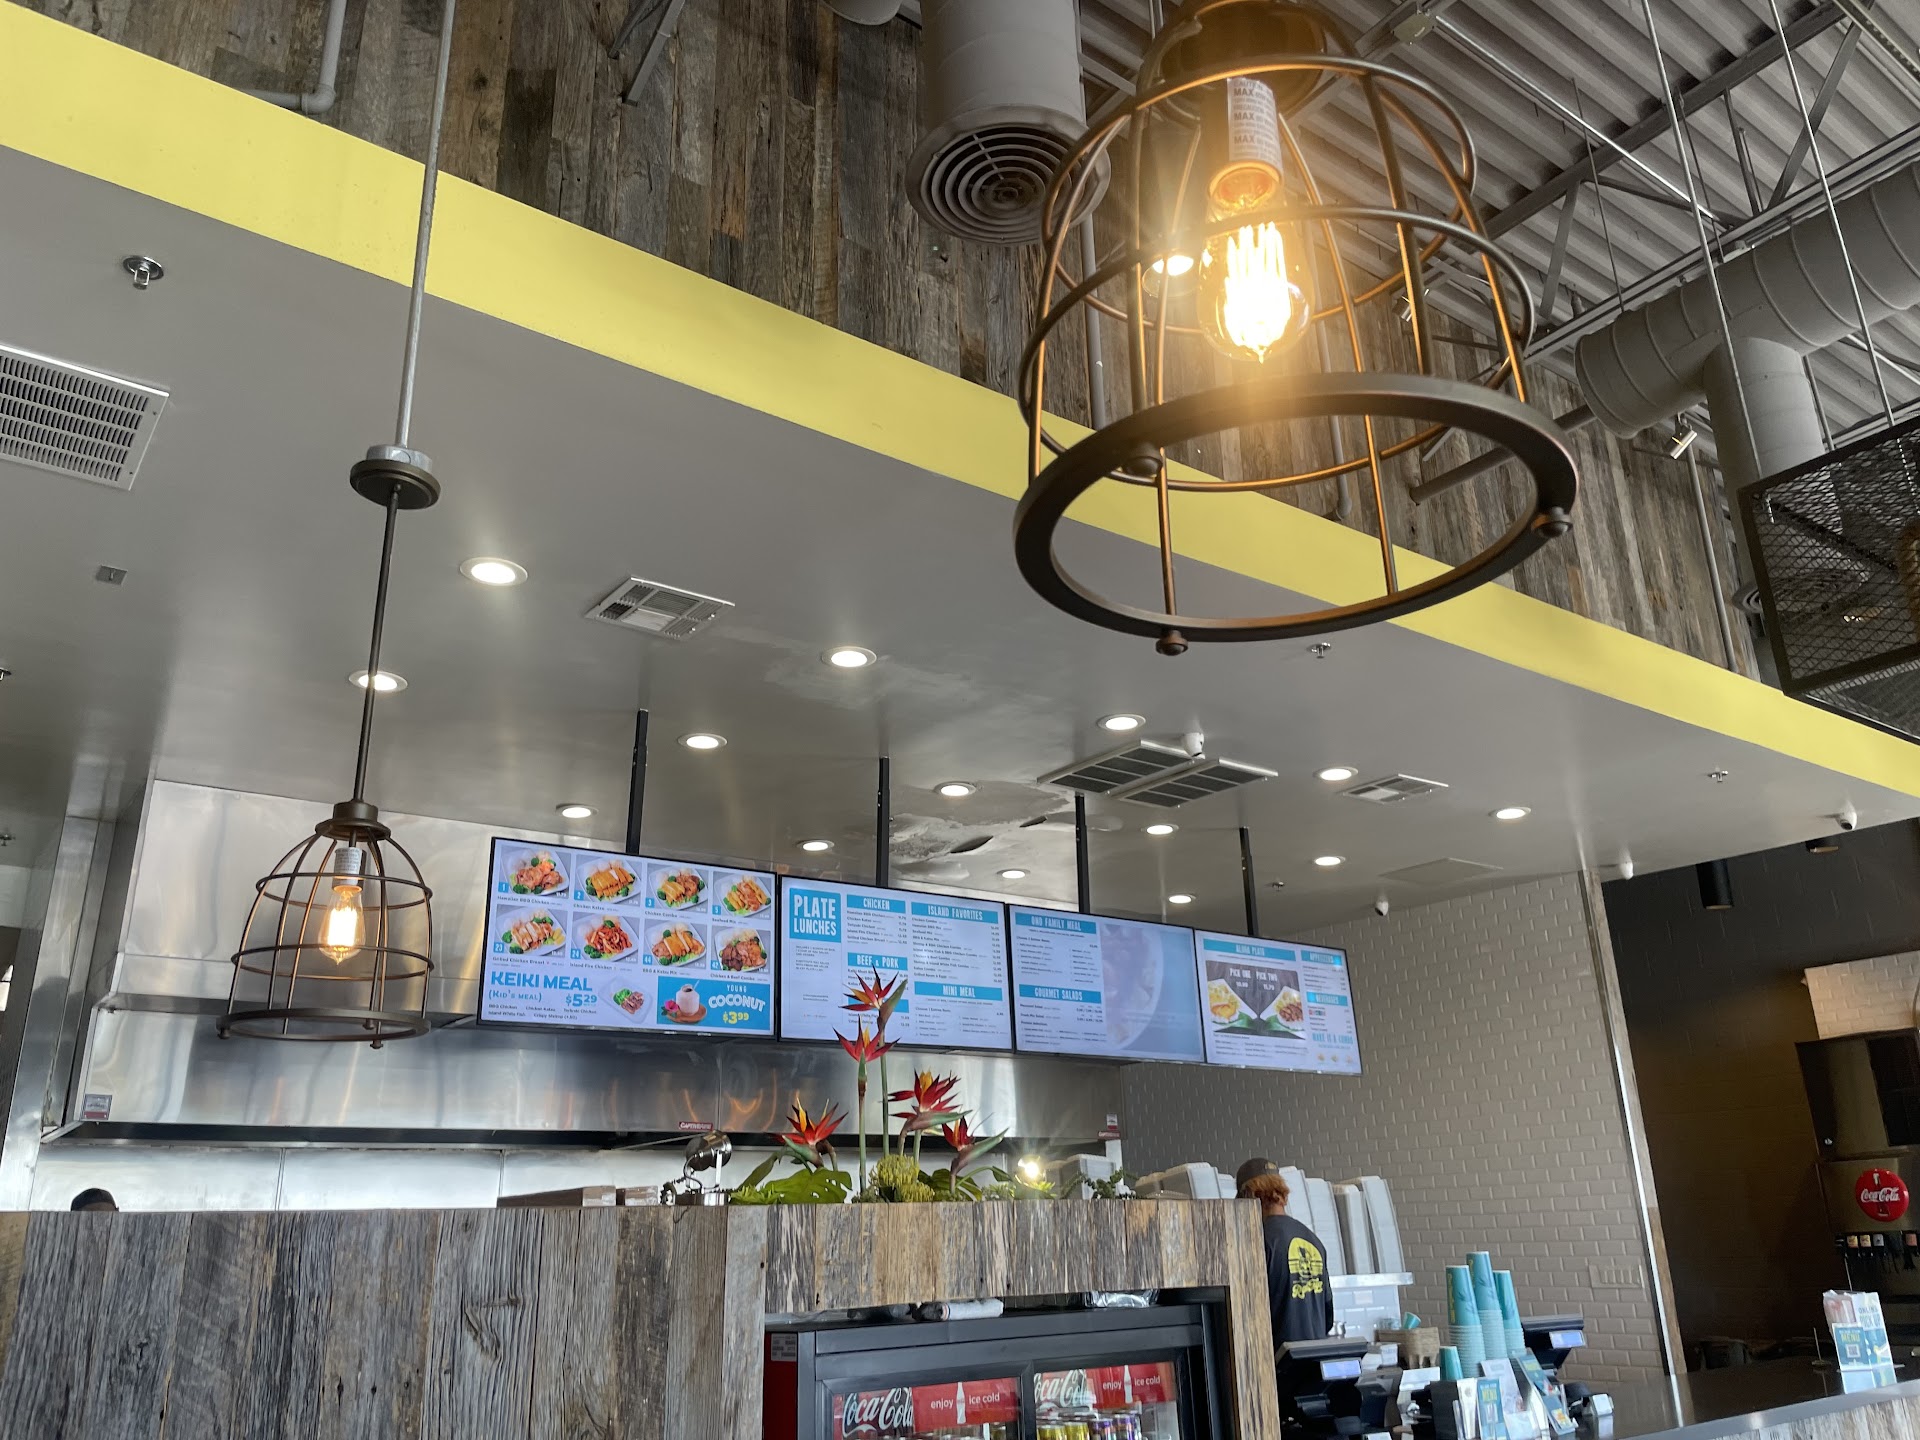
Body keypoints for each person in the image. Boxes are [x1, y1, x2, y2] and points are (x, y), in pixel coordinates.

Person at [1235, 1158, 1332, 1344]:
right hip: (1314, 1356)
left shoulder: (1255, 1242)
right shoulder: (1314, 1241)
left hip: (1275, 1358)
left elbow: (1246, 1313)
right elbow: (1327, 1315)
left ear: (1249, 1196)